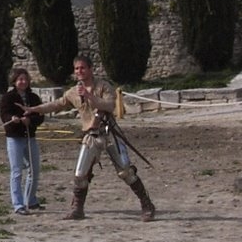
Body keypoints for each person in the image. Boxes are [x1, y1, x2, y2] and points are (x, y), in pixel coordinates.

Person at [22, 54, 156, 221]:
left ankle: (147, 205)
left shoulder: (103, 86)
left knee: (126, 172)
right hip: (90, 135)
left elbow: (109, 105)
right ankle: (77, 208)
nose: (79, 71)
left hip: (109, 133)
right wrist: (34, 109)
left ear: (90, 69)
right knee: (80, 174)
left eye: (82, 68)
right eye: (77, 68)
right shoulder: (73, 92)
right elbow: (57, 104)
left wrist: (90, 96)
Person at [0, 67, 44, 214]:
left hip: (30, 137)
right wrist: (12, 119)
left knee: (34, 169)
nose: (23, 82)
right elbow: (4, 113)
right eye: (20, 79)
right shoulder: (8, 98)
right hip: (14, 138)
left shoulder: (34, 98)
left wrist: (29, 121)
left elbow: (40, 115)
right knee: (17, 171)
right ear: (14, 81)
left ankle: (30, 200)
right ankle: (18, 204)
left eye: (25, 79)